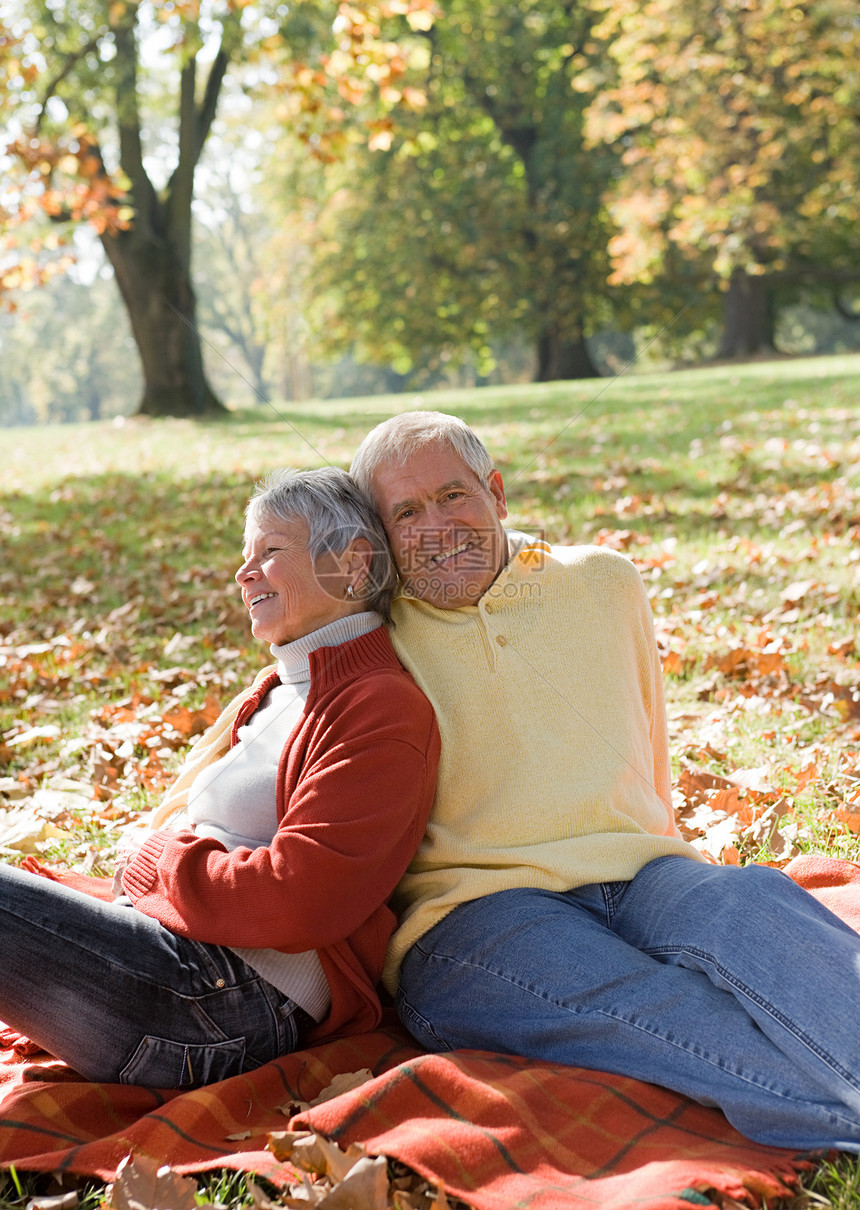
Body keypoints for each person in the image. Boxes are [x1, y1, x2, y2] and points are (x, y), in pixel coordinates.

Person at [350, 410, 860, 1152]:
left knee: (749, 903)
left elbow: (645, 735)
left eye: (454, 495)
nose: (437, 526)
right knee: (659, 1008)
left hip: (639, 869)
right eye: (406, 511)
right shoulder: (366, 634)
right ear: (381, 534)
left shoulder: (602, 583)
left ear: (496, 492)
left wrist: (666, 865)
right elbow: (251, 734)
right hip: (476, 916)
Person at [0, 467, 439, 1089]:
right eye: (245, 556)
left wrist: (154, 860)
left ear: (352, 566)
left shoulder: (380, 708)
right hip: (181, 958)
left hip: (221, 1004)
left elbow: (300, 900)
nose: (244, 572)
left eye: (270, 552)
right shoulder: (280, 689)